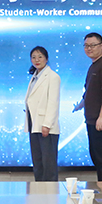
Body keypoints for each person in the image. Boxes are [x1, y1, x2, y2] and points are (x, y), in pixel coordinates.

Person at [73, 33, 102, 181]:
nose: (89, 48)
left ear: (101, 46)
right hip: (93, 120)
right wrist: (81, 105)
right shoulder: (95, 65)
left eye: (93, 45)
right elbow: (89, 91)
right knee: (97, 158)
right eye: (86, 46)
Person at [24, 46, 61, 181]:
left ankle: (50, 191)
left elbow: (53, 102)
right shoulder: (35, 76)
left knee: (48, 163)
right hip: (34, 123)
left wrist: (47, 124)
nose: (37, 60)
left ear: (46, 58)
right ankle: (39, 189)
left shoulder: (53, 77)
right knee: (38, 161)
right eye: (33, 57)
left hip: (46, 126)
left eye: (40, 57)